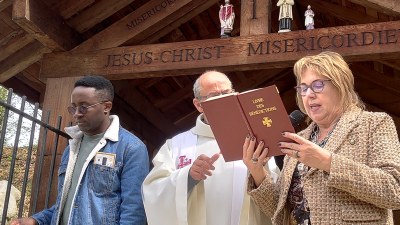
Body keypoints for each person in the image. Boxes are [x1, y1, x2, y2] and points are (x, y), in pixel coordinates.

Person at [242, 51, 400, 225]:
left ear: (341, 86)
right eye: (303, 88)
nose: (308, 94)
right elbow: (280, 212)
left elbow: (394, 190)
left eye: (317, 85)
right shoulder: (298, 138)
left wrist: (327, 162)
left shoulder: (374, 124)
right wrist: (257, 171)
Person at [142, 70, 279, 225]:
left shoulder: (255, 140)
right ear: (198, 105)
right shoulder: (176, 145)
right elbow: (153, 192)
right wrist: (188, 177)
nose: (224, 100)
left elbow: (276, 194)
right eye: (215, 96)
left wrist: (259, 171)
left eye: (227, 93)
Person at [10, 75, 149, 225]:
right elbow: (68, 203)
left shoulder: (131, 148)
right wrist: (35, 220)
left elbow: (134, 212)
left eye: (83, 107)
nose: (76, 113)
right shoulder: (72, 148)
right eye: (73, 107)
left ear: (106, 107)